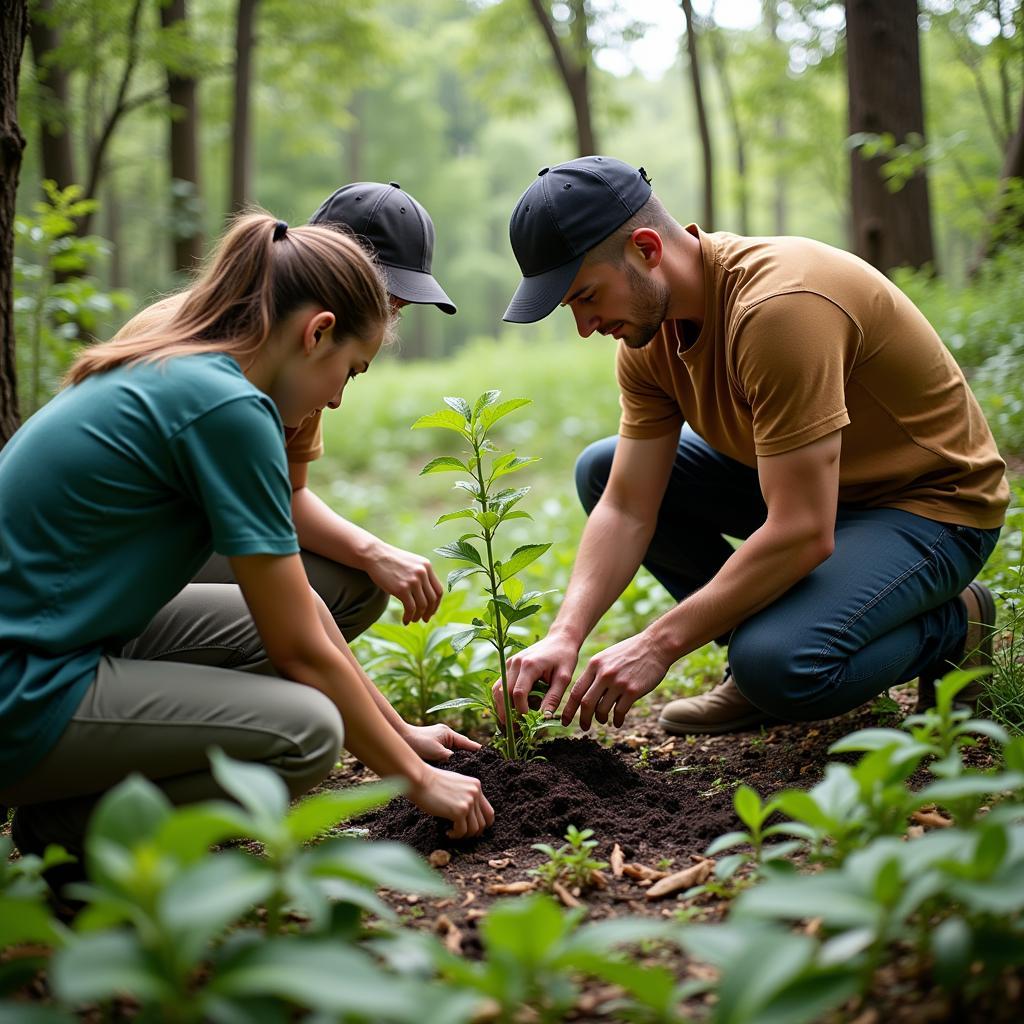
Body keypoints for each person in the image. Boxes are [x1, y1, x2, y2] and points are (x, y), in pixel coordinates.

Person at [0, 214, 494, 893]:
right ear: (317, 331)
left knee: (308, 612)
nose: (339, 398)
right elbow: (297, 650)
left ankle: (82, 804)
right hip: (23, 683)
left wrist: (399, 733)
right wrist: (416, 782)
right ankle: (70, 832)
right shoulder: (226, 408)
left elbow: (304, 615)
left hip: (57, 640)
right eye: (349, 370)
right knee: (308, 733)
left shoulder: (179, 365)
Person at [498, 155, 1009, 736]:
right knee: (603, 467)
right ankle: (765, 638)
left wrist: (658, 644)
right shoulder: (647, 337)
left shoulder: (779, 310)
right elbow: (626, 505)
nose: (585, 325)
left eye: (586, 296)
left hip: (929, 504)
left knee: (782, 667)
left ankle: (955, 622)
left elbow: (801, 531)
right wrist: (565, 632)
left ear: (646, 248)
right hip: (819, 493)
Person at [117, 181, 454, 638]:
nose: (390, 315)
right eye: (384, 295)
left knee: (356, 586)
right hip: (135, 551)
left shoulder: (311, 363)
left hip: (203, 533)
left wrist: (373, 551)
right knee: (302, 616)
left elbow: (287, 494)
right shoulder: (212, 352)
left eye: (399, 304)